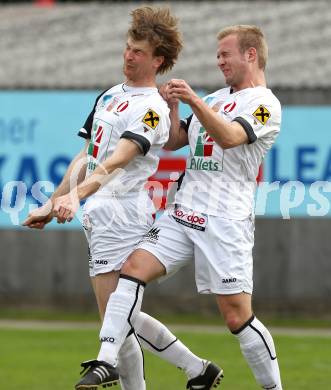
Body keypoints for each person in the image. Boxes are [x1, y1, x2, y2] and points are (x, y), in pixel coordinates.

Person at [23, 6, 222, 390]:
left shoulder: (152, 110)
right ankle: (197, 368)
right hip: (98, 209)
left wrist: (76, 197)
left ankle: (193, 368)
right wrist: (53, 203)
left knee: (115, 315)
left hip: (123, 211)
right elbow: (88, 157)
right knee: (119, 314)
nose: (129, 55)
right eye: (128, 47)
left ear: (158, 60)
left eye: (139, 52)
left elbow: (118, 160)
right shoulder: (110, 94)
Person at [74, 25, 283, 389]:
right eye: (217, 54)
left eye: (225, 54)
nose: (219, 61)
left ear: (251, 55)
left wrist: (194, 101)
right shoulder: (218, 97)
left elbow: (231, 137)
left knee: (236, 317)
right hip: (183, 211)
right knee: (132, 269)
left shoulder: (265, 103)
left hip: (225, 219)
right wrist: (173, 108)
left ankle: (271, 387)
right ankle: (107, 360)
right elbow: (174, 141)